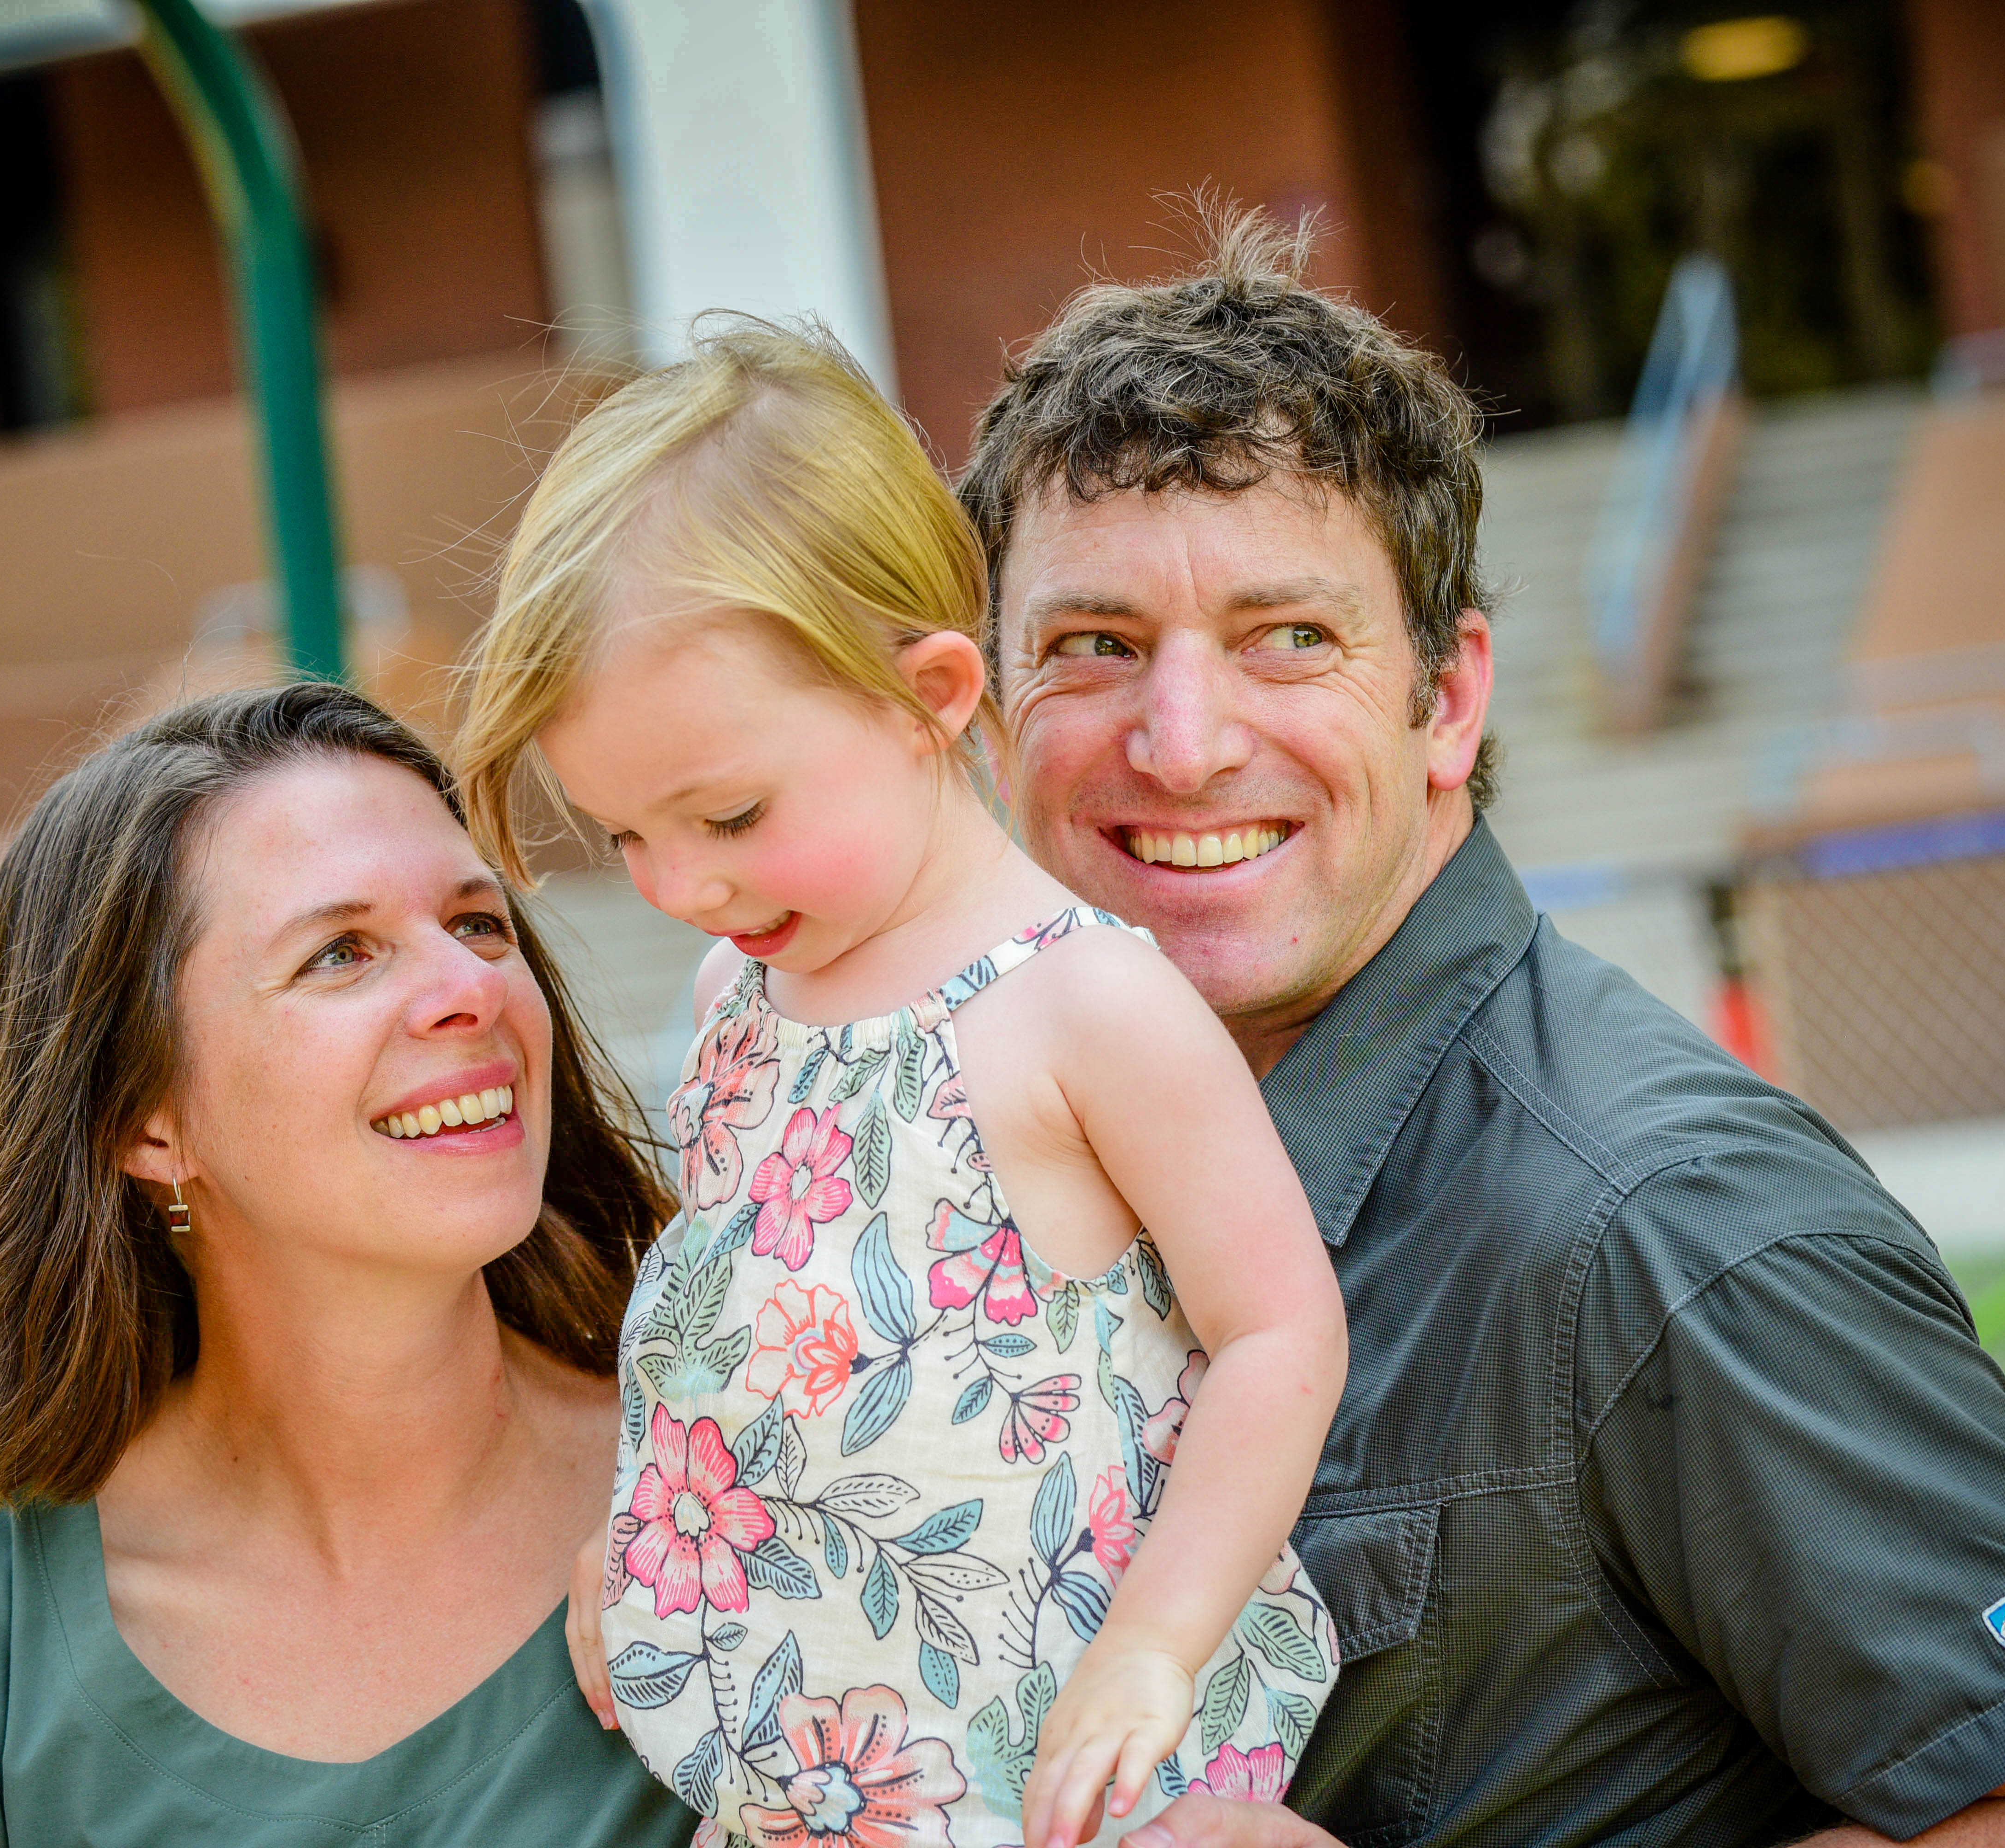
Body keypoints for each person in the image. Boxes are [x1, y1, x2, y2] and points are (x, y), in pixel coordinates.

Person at [952, 211, 2005, 1848]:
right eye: (1091, 647)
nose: (1182, 741)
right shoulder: (976, 1155)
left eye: (1289, 636)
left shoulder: (1670, 1225)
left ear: (1450, 698)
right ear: (988, 717)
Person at [451, 318, 1349, 1848]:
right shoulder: (740, 991)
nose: (677, 881)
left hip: (1063, 1764)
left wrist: (1152, 1647)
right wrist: (645, 1528)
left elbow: (1277, 1330)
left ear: (928, 692)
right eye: (624, 837)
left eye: (726, 812)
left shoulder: (1083, 1002)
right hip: (819, 1776)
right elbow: (742, 1331)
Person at [0, 683, 698, 1847]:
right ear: (147, 1118)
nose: (473, 989)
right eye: (340, 952)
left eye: (477, 922)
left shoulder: (760, 1486)